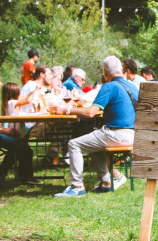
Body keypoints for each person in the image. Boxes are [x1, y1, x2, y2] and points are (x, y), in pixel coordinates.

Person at [55, 56, 138, 198]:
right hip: (133, 135)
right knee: (93, 143)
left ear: (105, 73)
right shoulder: (132, 86)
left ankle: (76, 187)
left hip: (116, 134)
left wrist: (67, 110)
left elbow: (90, 112)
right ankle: (106, 182)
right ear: (121, 70)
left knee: (74, 144)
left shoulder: (109, 86)